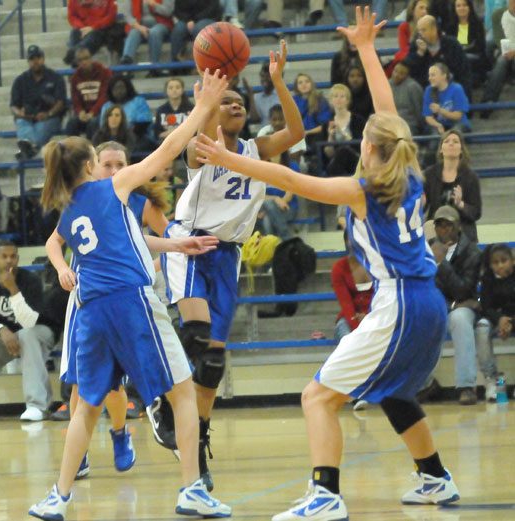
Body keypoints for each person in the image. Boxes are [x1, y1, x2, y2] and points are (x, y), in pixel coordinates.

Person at [195, 9, 460, 519]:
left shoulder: (362, 190)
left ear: (368, 148)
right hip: (428, 302)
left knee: (317, 396)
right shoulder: (412, 176)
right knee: (396, 391)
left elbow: (291, 181)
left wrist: (225, 158)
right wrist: (364, 47)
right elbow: (387, 113)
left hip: (401, 300)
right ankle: (435, 478)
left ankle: (325, 496)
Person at [27, 69, 232, 521]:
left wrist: (176, 244)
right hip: (130, 301)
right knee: (182, 394)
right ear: (89, 166)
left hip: (92, 309)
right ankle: (192, 490)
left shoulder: (72, 210)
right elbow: (168, 149)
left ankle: (57, 498)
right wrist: (202, 107)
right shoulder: (113, 187)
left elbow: (126, 242)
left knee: (85, 406)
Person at [152, 40, 304, 492]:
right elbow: (195, 149)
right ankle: (158, 397)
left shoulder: (256, 148)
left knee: (214, 361)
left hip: (229, 253)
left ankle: (194, 442)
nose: (235, 106)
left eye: (241, 102)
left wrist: (278, 84)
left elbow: (295, 133)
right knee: (197, 335)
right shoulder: (201, 145)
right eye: (228, 102)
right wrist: (207, 101)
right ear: (215, 111)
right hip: (192, 243)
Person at [50, 140, 170, 477]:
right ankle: (81, 454)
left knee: (115, 386)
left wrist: (154, 264)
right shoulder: (81, 201)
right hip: (89, 299)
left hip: (131, 296)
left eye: (120, 164)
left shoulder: (137, 200)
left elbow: (169, 237)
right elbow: (53, 241)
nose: (115, 171)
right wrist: (62, 267)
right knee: (80, 383)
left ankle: (120, 433)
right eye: (108, 164)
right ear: (92, 166)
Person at [0, 241, 55, 423]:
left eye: (13, 256)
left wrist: (13, 290)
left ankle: (38, 405)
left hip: (40, 332)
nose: (9, 261)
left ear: (18, 259)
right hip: (9, 337)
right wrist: (2, 331)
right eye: (4, 257)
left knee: (27, 334)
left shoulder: (31, 280)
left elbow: (30, 321)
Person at [430, 205, 482, 406]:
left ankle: (467, 386)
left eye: (448, 226)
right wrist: (450, 304)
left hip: (462, 309)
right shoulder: (425, 249)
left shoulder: (472, 253)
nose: (444, 231)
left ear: (458, 227)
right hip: (439, 306)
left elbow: (462, 290)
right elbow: (423, 285)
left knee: (460, 319)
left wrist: (442, 263)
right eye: (440, 226)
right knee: (414, 320)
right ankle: (421, 385)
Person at [423, 129, 481, 242]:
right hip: (436, 228)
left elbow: (476, 213)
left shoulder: (471, 176)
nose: (451, 143)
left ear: (461, 150)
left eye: (455, 141)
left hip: (462, 230)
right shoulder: (430, 174)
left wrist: (460, 204)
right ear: (441, 149)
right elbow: (423, 207)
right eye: (447, 141)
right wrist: (422, 202)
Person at [10, 45, 66, 159]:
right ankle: (32, 148)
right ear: (28, 61)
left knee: (41, 127)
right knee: (21, 122)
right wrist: (20, 113)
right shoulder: (20, 80)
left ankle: (27, 148)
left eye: (38, 57)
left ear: (43, 58)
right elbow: (13, 106)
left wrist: (48, 114)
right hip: (27, 118)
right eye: (32, 59)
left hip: (50, 118)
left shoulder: (55, 77)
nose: (35, 61)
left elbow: (61, 102)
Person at [475, 243, 514, 402]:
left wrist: (510, 322)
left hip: (512, 319)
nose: (499, 266)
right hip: (495, 318)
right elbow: (485, 306)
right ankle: (492, 379)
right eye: (495, 263)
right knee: (481, 327)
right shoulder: (488, 278)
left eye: (503, 261)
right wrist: (499, 320)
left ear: (512, 260)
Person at [407, 14, 473, 101]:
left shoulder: (452, 44)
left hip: (450, 86)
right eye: (419, 31)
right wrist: (420, 54)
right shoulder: (416, 46)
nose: (420, 34)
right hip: (425, 87)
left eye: (424, 30)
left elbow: (464, 72)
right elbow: (411, 71)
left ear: (434, 29)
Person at [422, 62, 471, 161]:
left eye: (433, 75)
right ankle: (427, 169)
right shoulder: (428, 90)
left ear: (444, 76)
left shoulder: (457, 89)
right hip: (438, 124)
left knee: (454, 137)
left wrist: (440, 110)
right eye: (429, 75)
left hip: (458, 123)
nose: (429, 78)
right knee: (435, 139)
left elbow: (458, 116)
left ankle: (459, 168)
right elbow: (428, 116)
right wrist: (437, 125)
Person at [331, 230, 373, 345]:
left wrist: (369, 316)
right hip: (350, 317)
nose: (356, 242)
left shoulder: (379, 264)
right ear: (346, 241)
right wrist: (357, 326)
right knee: (347, 339)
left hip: (377, 315)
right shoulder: (338, 268)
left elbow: (384, 297)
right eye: (352, 238)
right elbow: (346, 304)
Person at [99, 75, 155, 152]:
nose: (119, 91)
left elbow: (143, 125)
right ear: (111, 91)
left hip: (137, 138)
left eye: (121, 87)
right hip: (112, 139)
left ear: (128, 88)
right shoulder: (106, 106)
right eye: (115, 88)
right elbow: (104, 128)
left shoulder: (138, 102)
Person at [66, 48, 112, 140]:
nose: (84, 62)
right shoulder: (75, 77)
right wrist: (80, 112)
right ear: (77, 62)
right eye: (80, 60)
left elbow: (104, 96)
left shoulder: (104, 72)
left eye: (86, 58)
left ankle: (92, 150)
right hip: (85, 112)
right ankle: (72, 150)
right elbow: (75, 99)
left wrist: (93, 112)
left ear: (91, 59)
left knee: (93, 123)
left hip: (101, 112)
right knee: (71, 123)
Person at [480, 0, 515, 117]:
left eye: (463, 5)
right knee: (501, 61)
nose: (461, 8)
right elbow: (499, 38)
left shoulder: (472, 22)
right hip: (506, 50)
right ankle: (488, 102)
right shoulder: (497, 15)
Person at [322, 83, 365, 178]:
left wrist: (343, 134)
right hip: (336, 162)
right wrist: (331, 136)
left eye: (342, 96)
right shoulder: (326, 124)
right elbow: (329, 154)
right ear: (331, 100)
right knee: (337, 157)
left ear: (348, 100)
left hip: (356, 159)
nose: (338, 99)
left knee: (343, 151)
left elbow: (361, 146)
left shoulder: (358, 120)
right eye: (335, 96)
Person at [444, 0, 489, 86]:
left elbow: (480, 46)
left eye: (464, 5)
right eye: (458, 6)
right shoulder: (450, 26)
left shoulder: (477, 24)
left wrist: (461, 50)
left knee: (463, 59)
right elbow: (449, 47)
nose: (461, 8)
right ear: (454, 9)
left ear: (469, 7)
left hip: (475, 58)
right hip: (457, 58)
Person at [120, 0, 174, 67]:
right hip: (139, 23)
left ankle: (154, 65)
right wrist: (139, 27)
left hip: (161, 23)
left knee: (154, 32)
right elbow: (127, 15)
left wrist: (154, 5)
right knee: (134, 32)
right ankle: (126, 61)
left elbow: (168, 11)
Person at [63, 0, 117, 66]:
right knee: (75, 33)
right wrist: (82, 27)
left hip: (100, 29)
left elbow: (111, 17)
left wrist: (93, 27)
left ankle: (73, 53)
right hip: (82, 28)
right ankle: (75, 59)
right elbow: (72, 16)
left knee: (94, 36)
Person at [385, 0, 429, 77]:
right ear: (412, 10)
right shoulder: (404, 27)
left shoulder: (432, 26)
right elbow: (403, 49)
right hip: (410, 59)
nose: (424, 11)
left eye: (427, 9)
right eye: (421, 8)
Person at [170, 0, 222, 65]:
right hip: (187, 20)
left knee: (199, 29)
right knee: (178, 30)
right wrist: (188, 20)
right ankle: (176, 65)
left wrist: (194, 20)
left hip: (208, 18)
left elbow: (212, 8)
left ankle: (203, 64)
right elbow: (178, 10)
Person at [293, 73, 332, 143]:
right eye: (300, 82)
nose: (304, 84)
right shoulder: (293, 101)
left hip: (316, 134)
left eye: (307, 81)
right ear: (297, 86)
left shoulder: (320, 100)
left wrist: (308, 132)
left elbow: (325, 125)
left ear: (311, 84)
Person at [153, 77, 195, 144]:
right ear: (166, 91)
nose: (174, 90)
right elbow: (157, 134)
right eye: (170, 88)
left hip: (186, 142)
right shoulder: (161, 110)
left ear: (182, 90)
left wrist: (175, 132)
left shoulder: (191, 108)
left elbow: (195, 131)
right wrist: (172, 133)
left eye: (177, 87)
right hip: (166, 143)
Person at [389, 61, 424, 136]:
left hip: (409, 125)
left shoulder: (413, 87)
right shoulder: (386, 85)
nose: (396, 75)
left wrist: (421, 128)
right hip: (390, 124)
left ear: (407, 76)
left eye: (401, 73)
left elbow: (418, 110)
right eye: (395, 71)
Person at [244, 61, 280, 126]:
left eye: (268, 76)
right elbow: (255, 119)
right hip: (264, 133)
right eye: (262, 76)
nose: (264, 79)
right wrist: (250, 95)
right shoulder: (256, 97)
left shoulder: (282, 95)